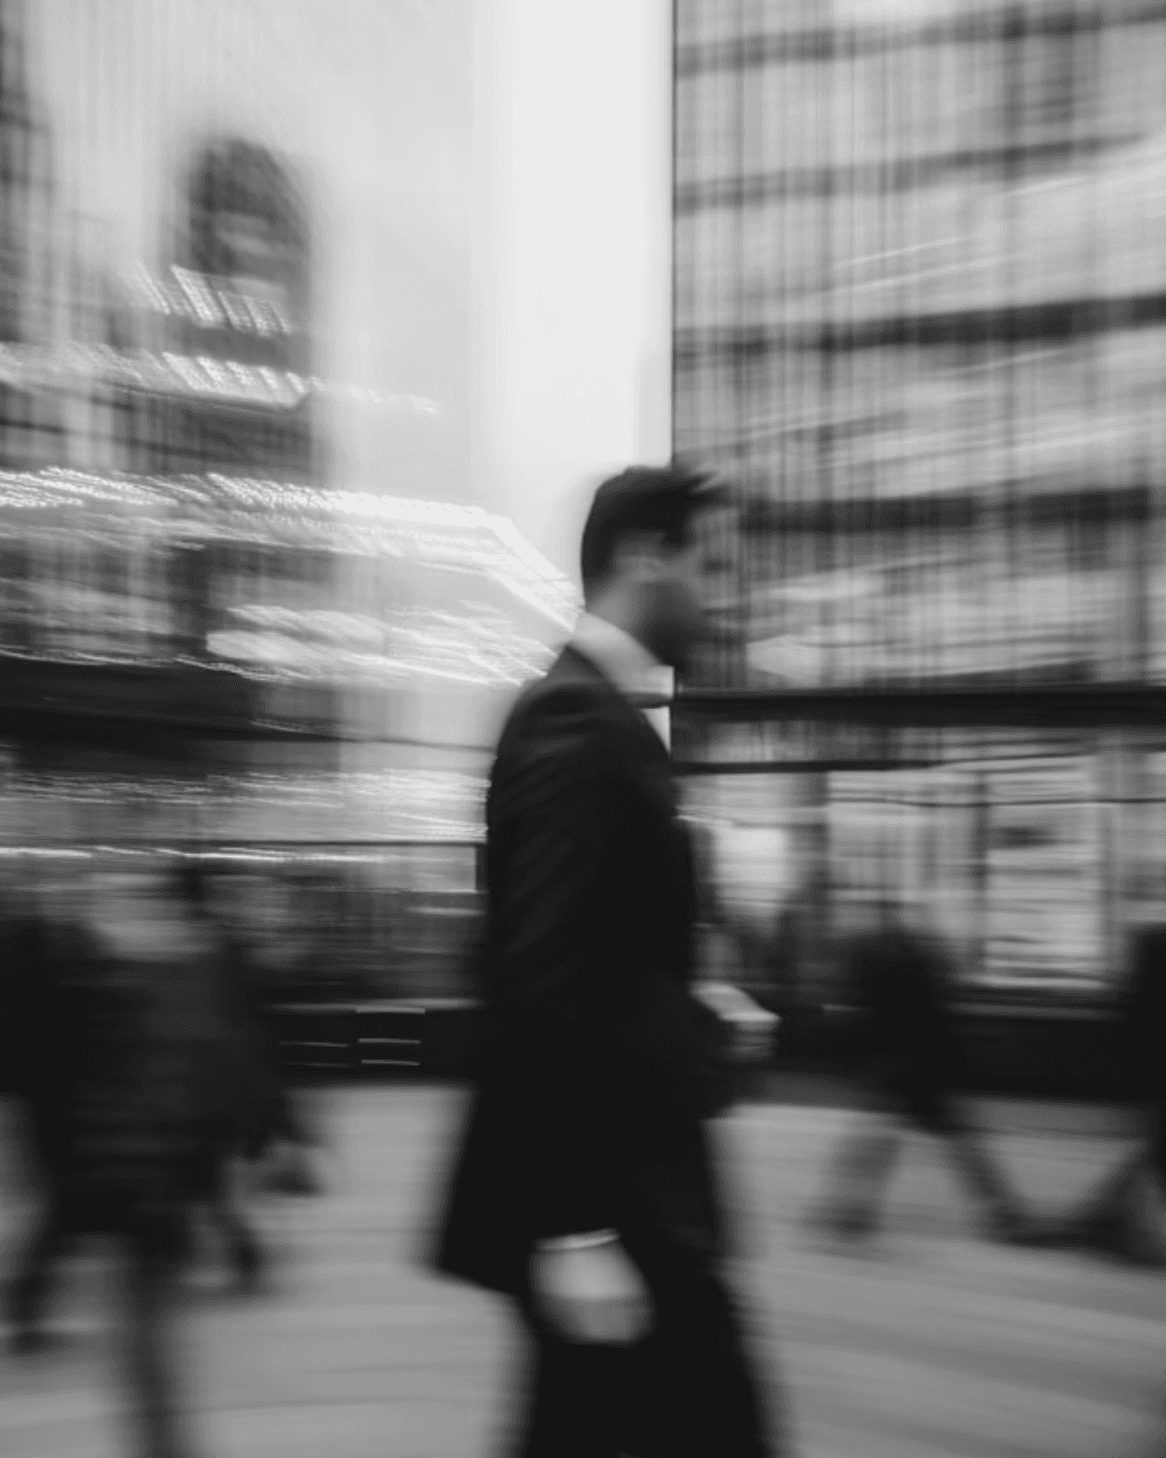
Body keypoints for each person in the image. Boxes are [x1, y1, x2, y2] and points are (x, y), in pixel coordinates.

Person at [433, 465, 779, 1457]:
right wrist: (574, 1227)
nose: (723, 597)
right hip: (614, 1201)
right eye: (711, 567)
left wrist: (695, 1001)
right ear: (642, 557)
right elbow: (540, 977)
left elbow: (598, 956)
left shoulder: (599, 716)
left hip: (628, 1193)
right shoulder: (574, 720)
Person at [814, 893, 1029, 1245]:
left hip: (901, 1064)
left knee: (880, 1138)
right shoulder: (917, 954)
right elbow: (939, 1008)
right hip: (923, 1061)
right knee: (950, 1139)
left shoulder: (872, 956)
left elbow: (861, 1010)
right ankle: (1001, 1211)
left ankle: (850, 1211)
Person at [1023, 925, 1166, 1266]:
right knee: (1157, 1152)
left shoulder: (1151, 943)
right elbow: (1140, 1012)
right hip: (1156, 1068)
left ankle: (1101, 1222)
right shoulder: (1154, 943)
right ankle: (1102, 1223)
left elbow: (1132, 1009)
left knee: (1156, 1151)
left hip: (1151, 1069)